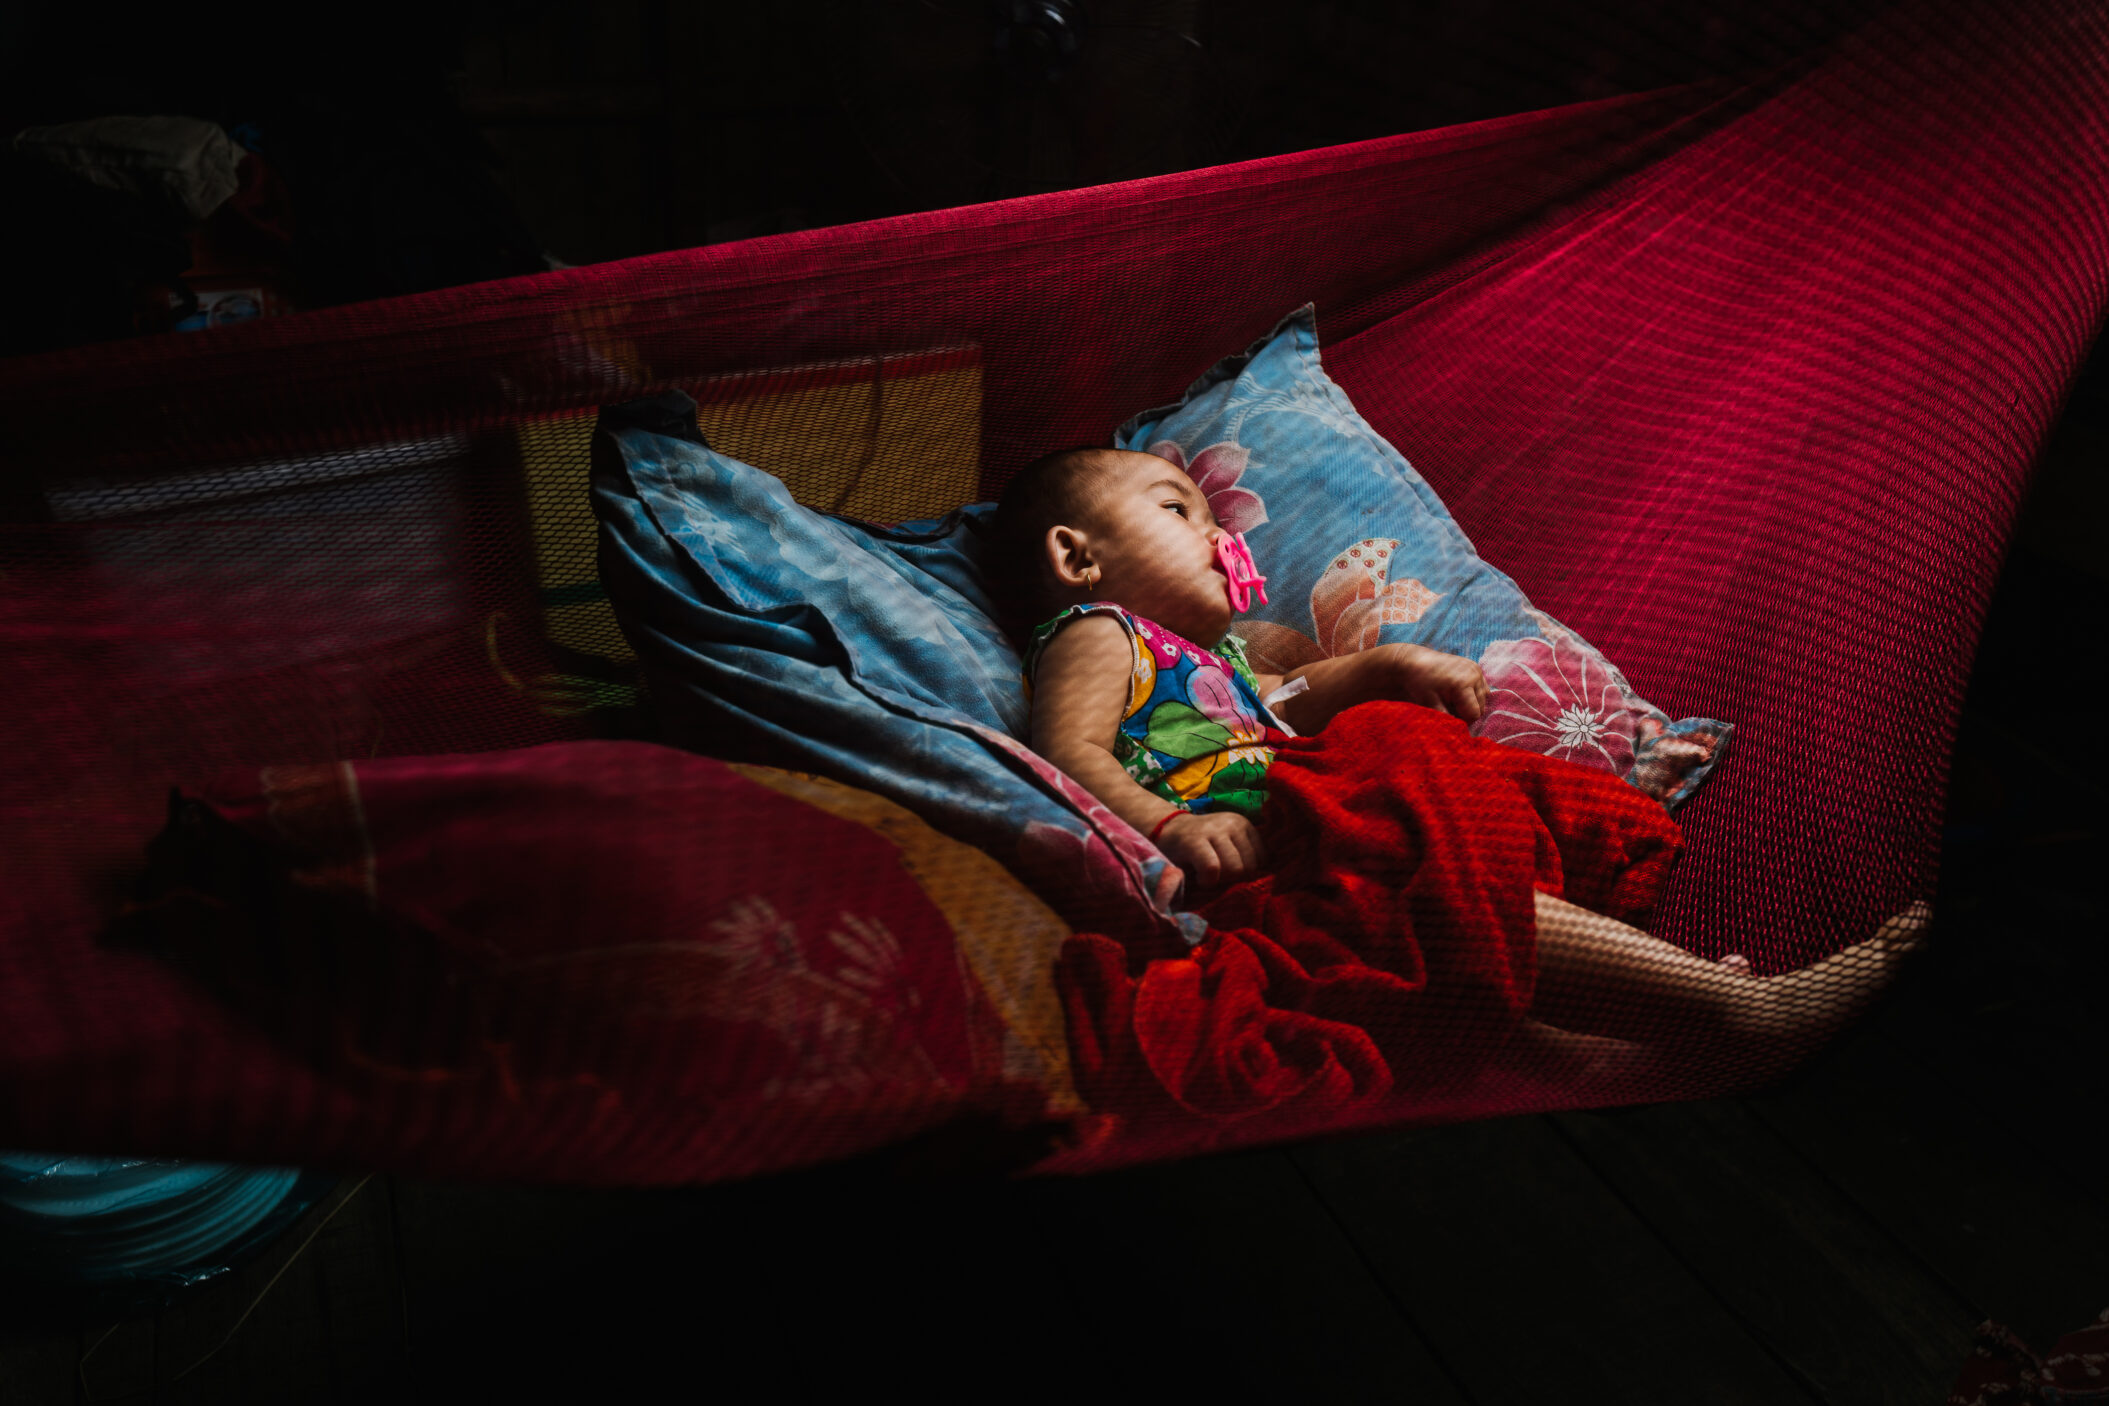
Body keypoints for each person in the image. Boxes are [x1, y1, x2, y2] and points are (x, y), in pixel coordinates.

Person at [987, 444, 1929, 1083]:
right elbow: (1067, 751)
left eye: (1214, 518)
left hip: (1322, 830)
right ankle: (1734, 1011)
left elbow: (1288, 700)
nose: (1220, 537)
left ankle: (1612, 1024)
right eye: (1177, 510)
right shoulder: (1098, 632)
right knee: (1391, 763)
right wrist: (1169, 825)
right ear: (1077, 557)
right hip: (1266, 856)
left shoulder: (1219, 658)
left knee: (1415, 783)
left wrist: (1387, 665)